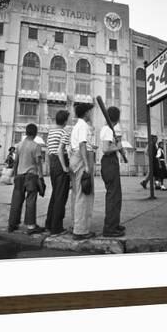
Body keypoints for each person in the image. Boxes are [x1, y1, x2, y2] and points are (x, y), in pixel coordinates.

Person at [7, 123, 45, 235]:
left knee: (16, 201)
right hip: (31, 176)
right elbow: (38, 163)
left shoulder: (19, 145)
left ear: (26, 132)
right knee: (30, 200)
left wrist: (14, 175)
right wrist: (41, 177)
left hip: (19, 176)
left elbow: (16, 162)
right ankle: (31, 226)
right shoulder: (36, 146)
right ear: (35, 133)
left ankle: (12, 224)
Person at [69, 103, 96, 241]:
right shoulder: (83, 126)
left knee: (76, 193)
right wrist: (86, 165)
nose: (91, 114)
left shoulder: (77, 126)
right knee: (83, 195)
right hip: (82, 159)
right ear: (86, 113)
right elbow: (82, 144)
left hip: (75, 158)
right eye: (90, 112)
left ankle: (76, 225)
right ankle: (80, 230)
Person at [100, 106, 127, 237]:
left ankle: (114, 224)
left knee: (116, 196)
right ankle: (109, 228)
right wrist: (118, 147)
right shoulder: (107, 130)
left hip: (110, 163)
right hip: (109, 162)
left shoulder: (108, 129)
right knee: (113, 196)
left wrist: (117, 146)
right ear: (116, 118)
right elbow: (105, 149)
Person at [45, 110, 71, 235]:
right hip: (60, 163)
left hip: (53, 164)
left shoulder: (50, 132)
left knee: (55, 194)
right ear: (65, 121)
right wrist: (65, 167)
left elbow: (48, 151)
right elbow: (61, 151)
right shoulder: (64, 132)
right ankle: (56, 227)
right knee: (61, 196)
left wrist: (51, 166)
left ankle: (49, 224)